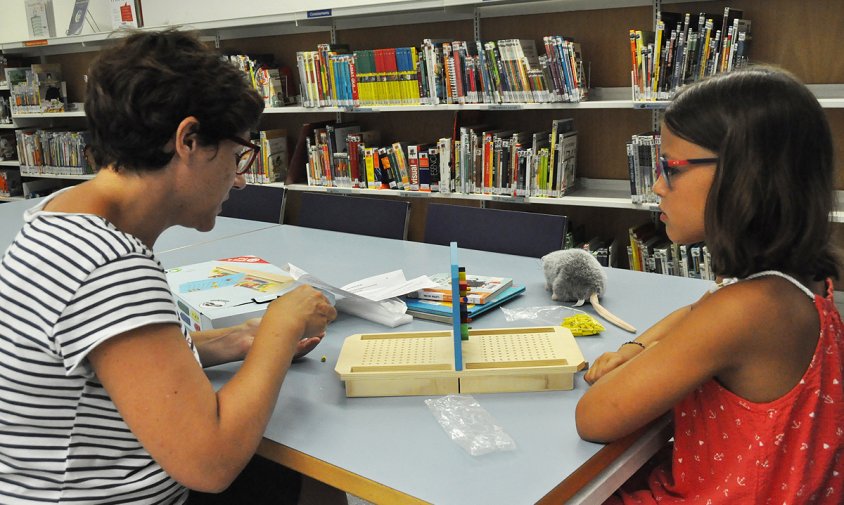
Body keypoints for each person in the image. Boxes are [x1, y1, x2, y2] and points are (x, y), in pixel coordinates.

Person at [0, 29, 337, 504]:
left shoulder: (61, 216)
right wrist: (280, 327)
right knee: (318, 485)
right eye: (238, 156)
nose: (240, 181)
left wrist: (237, 340)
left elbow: (117, 359)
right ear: (189, 140)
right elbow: (211, 464)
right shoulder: (108, 266)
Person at [576, 66, 843, 503]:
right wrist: (634, 349)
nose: (658, 186)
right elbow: (699, 309)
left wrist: (641, 359)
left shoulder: (746, 310)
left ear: (746, 174)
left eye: (670, 167)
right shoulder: (792, 285)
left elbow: (594, 416)